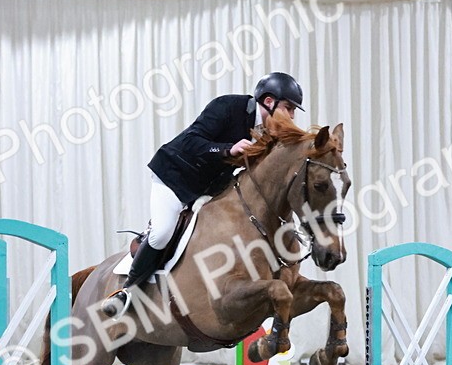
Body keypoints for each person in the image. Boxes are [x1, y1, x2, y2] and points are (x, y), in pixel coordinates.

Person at [100, 71, 305, 317]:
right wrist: (228, 150)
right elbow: (191, 141)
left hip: (211, 186)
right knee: (163, 232)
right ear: (269, 102)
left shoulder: (271, 132)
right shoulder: (228, 106)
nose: (291, 116)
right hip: (175, 178)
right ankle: (127, 291)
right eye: (289, 108)